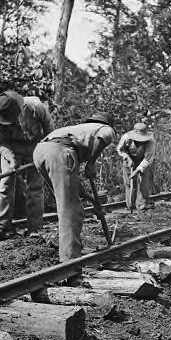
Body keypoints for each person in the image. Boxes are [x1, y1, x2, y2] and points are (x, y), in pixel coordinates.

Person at [33, 112, 116, 263]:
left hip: (40, 151)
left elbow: (74, 186)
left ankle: (67, 254)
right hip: (60, 152)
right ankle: (70, 262)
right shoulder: (105, 128)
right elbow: (104, 136)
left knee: (66, 203)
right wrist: (91, 163)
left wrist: (93, 201)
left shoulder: (78, 129)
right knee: (71, 211)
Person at [0, 90, 53, 242]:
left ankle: (34, 229)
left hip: (35, 146)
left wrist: (44, 151)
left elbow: (50, 131)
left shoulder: (36, 107)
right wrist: (11, 159)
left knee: (35, 186)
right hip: (11, 148)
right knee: (6, 183)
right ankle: (0, 228)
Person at [116, 122, 156, 212]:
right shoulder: (126, 137)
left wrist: (138, 170)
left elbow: (148, 159)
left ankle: (142, 204)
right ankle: (130, 204)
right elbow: (120, 149)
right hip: (128, 159)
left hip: (142, 161)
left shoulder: (151, 142)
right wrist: (128, 158)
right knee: (129, 182)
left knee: (143, 182)